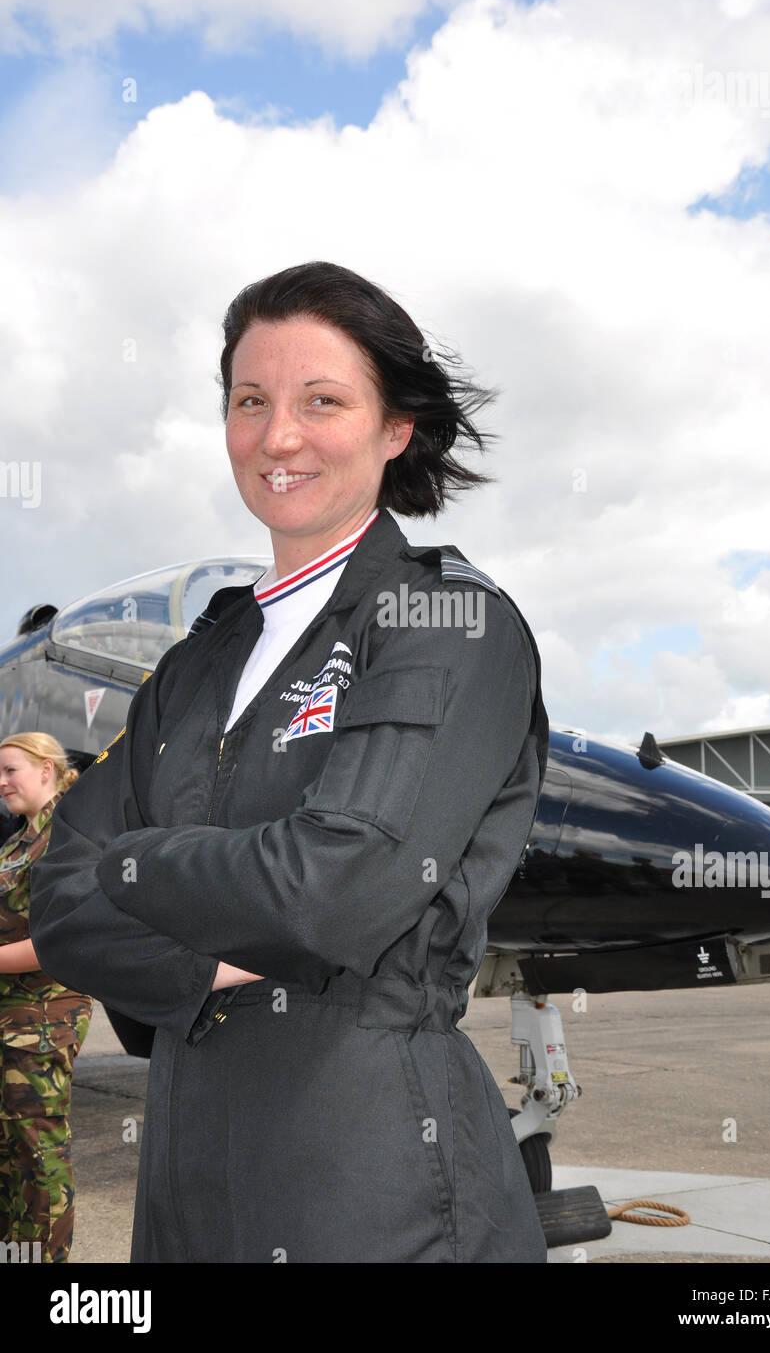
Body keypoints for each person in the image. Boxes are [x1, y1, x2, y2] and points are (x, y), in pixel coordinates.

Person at [30, 261, 549, 1263]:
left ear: (395, 428)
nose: (277, 436)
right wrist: (205, 941)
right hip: (183, 1182)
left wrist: (131, 865)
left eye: (323, 400)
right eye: (249, 401)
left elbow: (336, 890)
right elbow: (58, 902)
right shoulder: (195, 661)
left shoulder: (446, 621)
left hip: (368, 1174)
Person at [0, 733, 92, 1262]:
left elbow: (56, 940)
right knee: (10, 1155)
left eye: (12, 769)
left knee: (38, 1152)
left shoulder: (68, 838)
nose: (3, 781)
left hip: (43, 1018)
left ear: (47, 769)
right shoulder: (17, 843)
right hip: (10, 1015)